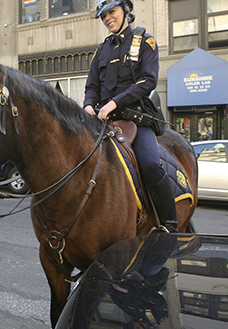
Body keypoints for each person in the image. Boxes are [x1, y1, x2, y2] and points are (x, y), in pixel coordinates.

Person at [84, 0, 176, 232]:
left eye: (111, 12)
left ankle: (169, 225)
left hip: (135, 119)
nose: (107, 19)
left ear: (125, 10)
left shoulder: (146, 41)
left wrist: (114, 102)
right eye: (103, 16)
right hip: (104, 122)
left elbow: (148, 80)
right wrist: (88, 106)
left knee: (150, 164)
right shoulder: (101, 50)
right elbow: (92, 86)